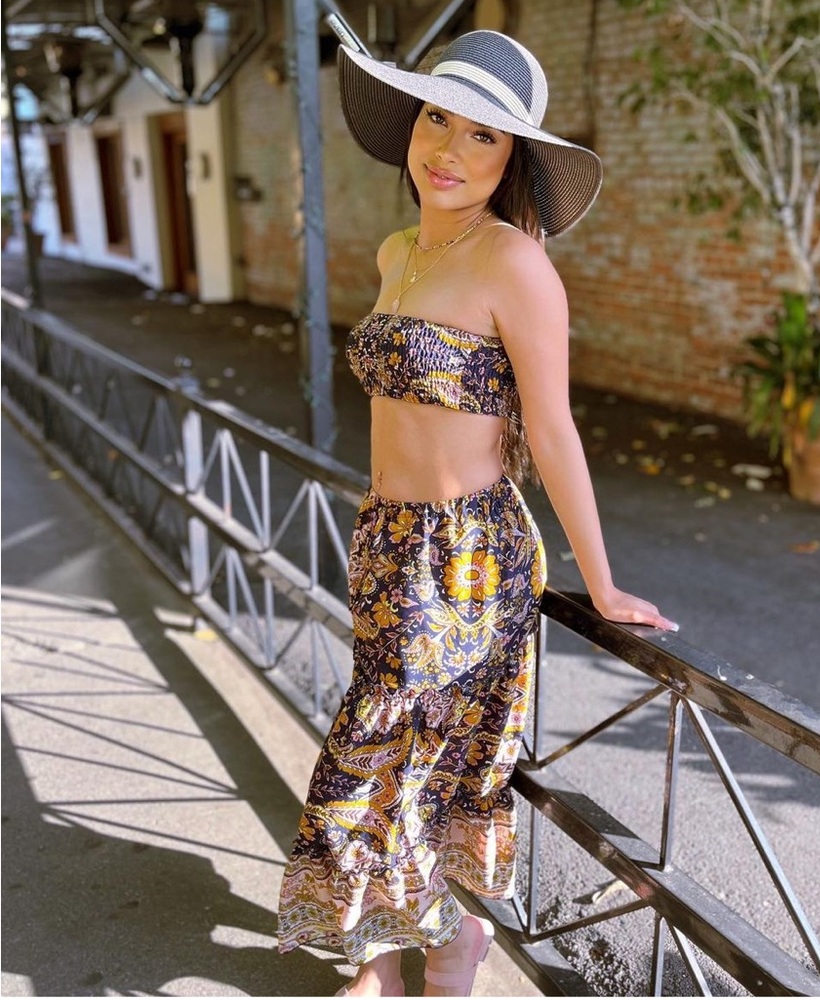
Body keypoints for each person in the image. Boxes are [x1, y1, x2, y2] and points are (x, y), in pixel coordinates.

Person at [277, 30, 678, 997]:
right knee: (416, 757)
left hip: (467, 558)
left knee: (391, 756)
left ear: (515, 162)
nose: (447, 151)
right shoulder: (396, 249)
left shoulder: (516, 266)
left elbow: (555, 430)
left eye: (482, 138)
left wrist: (602, 579)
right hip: (387, 544)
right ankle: (405, 950)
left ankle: (423, 953)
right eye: (436, 119)